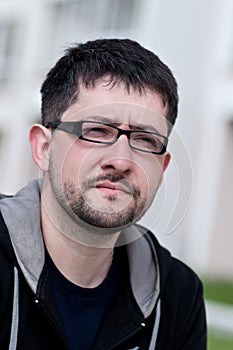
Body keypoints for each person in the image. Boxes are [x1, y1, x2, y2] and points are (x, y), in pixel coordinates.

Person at [0, 38, 206, 350]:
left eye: (145, 139)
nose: (121, 160)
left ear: (162, 170)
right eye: (96, 131)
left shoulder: (178, 295)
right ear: (43, 149)